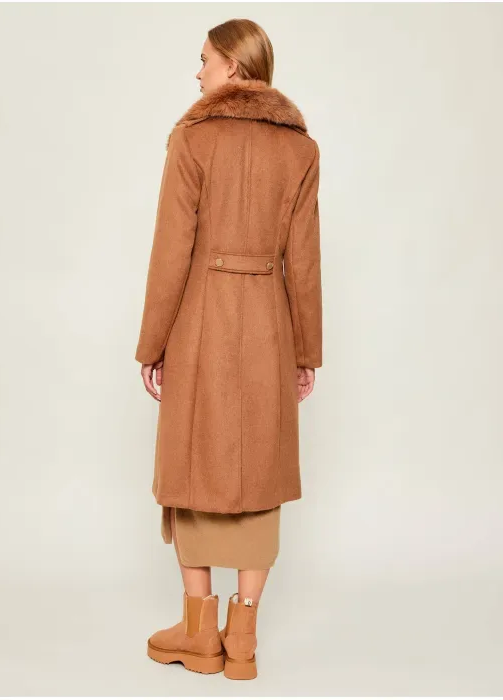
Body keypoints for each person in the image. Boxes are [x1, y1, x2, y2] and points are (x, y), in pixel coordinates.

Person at [135, 18, 322, 681]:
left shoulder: (192, 138)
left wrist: (152, 344)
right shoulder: (300, 150)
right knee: (259, 476)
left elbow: (171, 252)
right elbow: (304, 261)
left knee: (191, 471)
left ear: (234, 67)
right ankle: (242, 638)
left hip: (201, 323)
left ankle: (198, 632)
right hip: (269, 326)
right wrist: (305, 351)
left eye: (205, 60)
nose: (198, 73)